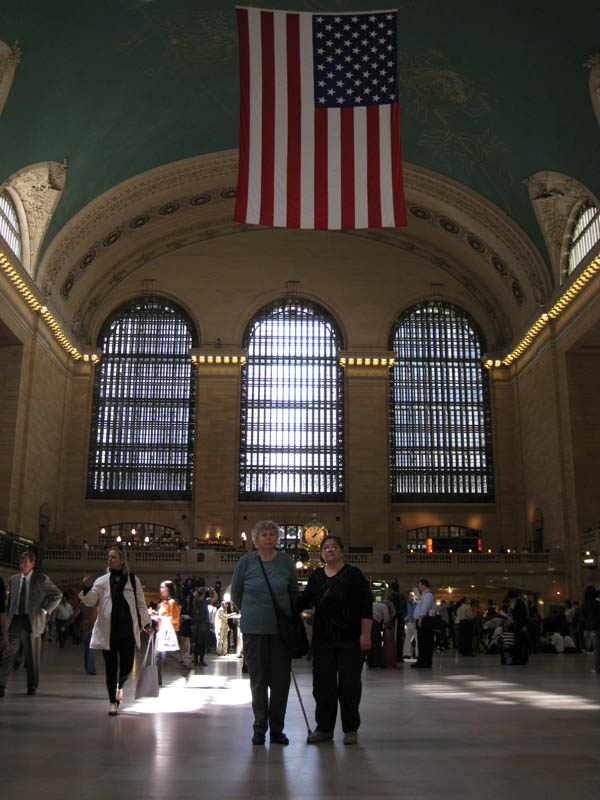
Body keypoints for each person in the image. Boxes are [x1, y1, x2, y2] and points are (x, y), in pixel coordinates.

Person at [298, 535, 373, 746]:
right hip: (323, 641)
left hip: (350, 640)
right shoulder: (316, 578)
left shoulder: (353, 575)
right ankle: (324, 728)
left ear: (341, 551)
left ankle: (350, 729)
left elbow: (366, 606)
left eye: (334, 547)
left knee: (349, 685)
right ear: (321, 552)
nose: (330, 550)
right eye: (326, 547)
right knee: (323, 686)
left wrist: (365, 634)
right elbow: (302, 602)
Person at [231, 520, 299, 746]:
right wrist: (252, 613)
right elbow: (236, 594)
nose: (269, 538)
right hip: (254, 631)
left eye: (272, 534)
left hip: (280, 633)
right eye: (264, 535)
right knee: (258, 681)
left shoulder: (285, 562)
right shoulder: (246, 562)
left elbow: (293, 593)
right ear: (256, 539)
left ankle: (277, 730)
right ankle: (259, 728)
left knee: (280, 683)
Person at [78, 546, 152, 715]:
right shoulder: (102, 581)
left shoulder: (133, 580)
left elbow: (140, 604)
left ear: (122, 560)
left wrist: (146, 623)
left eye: (113, 557)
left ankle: (120, 686)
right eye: (108, 557)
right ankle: (112, 701)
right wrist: (87, 588)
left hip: (127, 631)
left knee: (126, 666)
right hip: (108, 631)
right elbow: (89, 601)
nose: (110, 559)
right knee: (111, 668)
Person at [0, 550, 62, 697]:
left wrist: (46, 610)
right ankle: (1, 684)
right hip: (14, 621)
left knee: (31, 656)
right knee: (8, 654)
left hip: (31, 622)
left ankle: (32, 685)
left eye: (25, 562)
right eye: (20, 562)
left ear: (32, 564)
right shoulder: (13, 580)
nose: (22, 565)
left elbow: (57, 594)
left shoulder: (41, 579)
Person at [63, 576, 98, 674]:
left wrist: (65, 626)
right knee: (91, 648)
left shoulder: (82, 603)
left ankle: (89, 668)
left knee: (88, 648)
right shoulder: (96, 602)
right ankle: (90, 669)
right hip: (93, 627)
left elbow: (73, 616)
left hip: (85, 627)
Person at [151, 580, 181, 686]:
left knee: (169, 658)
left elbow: (176, 620)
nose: (161, 590)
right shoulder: (161, 603)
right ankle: (157, 681)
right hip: (160, 633)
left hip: (168, 635)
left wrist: (161, 618)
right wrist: (155, 615)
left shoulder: (172, 603)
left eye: (163, 587)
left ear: (168, 590)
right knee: (157, 657)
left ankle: (186, 671)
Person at [412, 578, 437, 669]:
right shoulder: (424, 595)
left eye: (419, 586)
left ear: (424, 585)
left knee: (425, 642)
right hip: (422, 620)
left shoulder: (428, 596)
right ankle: (421, 660)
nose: (419, 588)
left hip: (425, 620)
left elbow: (425, 608)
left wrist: (420, 619)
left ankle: (425, 661)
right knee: (421, 642)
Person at [580, 585, 600, 673]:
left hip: (593, 628)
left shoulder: (584, 605)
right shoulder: (598, 603)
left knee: (596, 649)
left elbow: (583, 616)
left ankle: (597, 667)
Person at [403, 590, 418, 661]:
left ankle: (417, 654)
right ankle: (407, 654)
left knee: (417, 639)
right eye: (410, 596)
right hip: (409, 623)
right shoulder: (408, 605)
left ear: (415, 597)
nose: (411, 597)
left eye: (412, 596)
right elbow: (409, 614)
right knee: (407, 639)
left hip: (415, 623)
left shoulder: (417, 604)